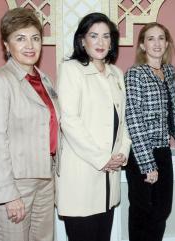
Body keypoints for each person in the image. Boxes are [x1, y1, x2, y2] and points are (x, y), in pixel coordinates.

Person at [0, 8, 59, 241]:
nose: (30, 45)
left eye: (35, 38)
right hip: (15, 184)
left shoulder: (45, 81)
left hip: (46, 179)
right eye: (20, 38)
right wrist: (8, 194)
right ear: (6, 45)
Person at [55, 12, 131, 241]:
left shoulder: (116, 74)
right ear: (82, 40)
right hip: (82, 175)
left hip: (109, 179)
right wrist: (102, 158)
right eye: (94, 36)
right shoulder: (71, 70)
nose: (100, 42)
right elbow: (69, 120)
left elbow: (124, 122)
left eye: (106, 37)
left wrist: (121, 153)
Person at [124, 22, 175, 241]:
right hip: (141, 154)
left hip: (164, 150)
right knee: (142, 213)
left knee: (162, 211)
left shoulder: (169, 71)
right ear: (142, 44)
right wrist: (147, 164)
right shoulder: (135, 74)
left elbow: (174, 110)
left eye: (161, 38)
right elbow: (133, 119)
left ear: (167, 43)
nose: (156, 43)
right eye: (150, 38)